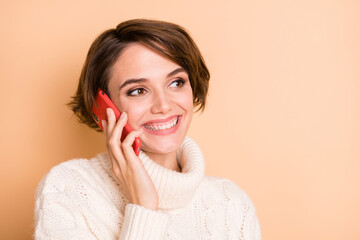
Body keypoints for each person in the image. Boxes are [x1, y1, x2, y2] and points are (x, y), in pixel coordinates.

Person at [34, 19, 261, 239]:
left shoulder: (232, 203)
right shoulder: (68, 188)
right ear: (104, 107)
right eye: (138, 91)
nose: (163, 106)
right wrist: (144, 209)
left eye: (176, 82)